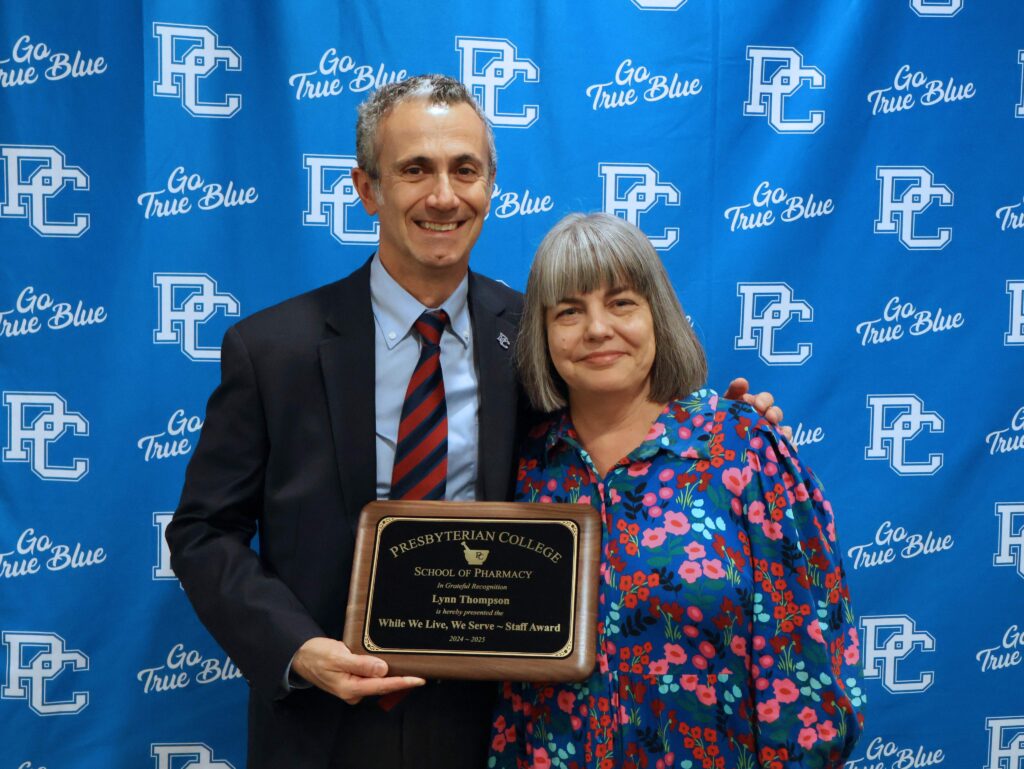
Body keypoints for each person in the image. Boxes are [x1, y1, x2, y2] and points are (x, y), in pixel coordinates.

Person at [167, 76, 784, 769]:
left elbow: (623, 433)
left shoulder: (542, 338)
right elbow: (203, 530)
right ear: (367, 189)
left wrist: (732, 427)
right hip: (321, 724)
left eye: (465, 170)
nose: (442, 196)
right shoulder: (272, 349)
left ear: (491, 186)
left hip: (497, 727)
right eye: (414, 170)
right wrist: (297, 650)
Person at [489, 213, 864, 769]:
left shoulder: (743, 449)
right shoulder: (524, 468)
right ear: (542, 335)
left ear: (658, 316)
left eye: (621, 303)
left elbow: (807, 666)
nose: (596, 328)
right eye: (569, 310)